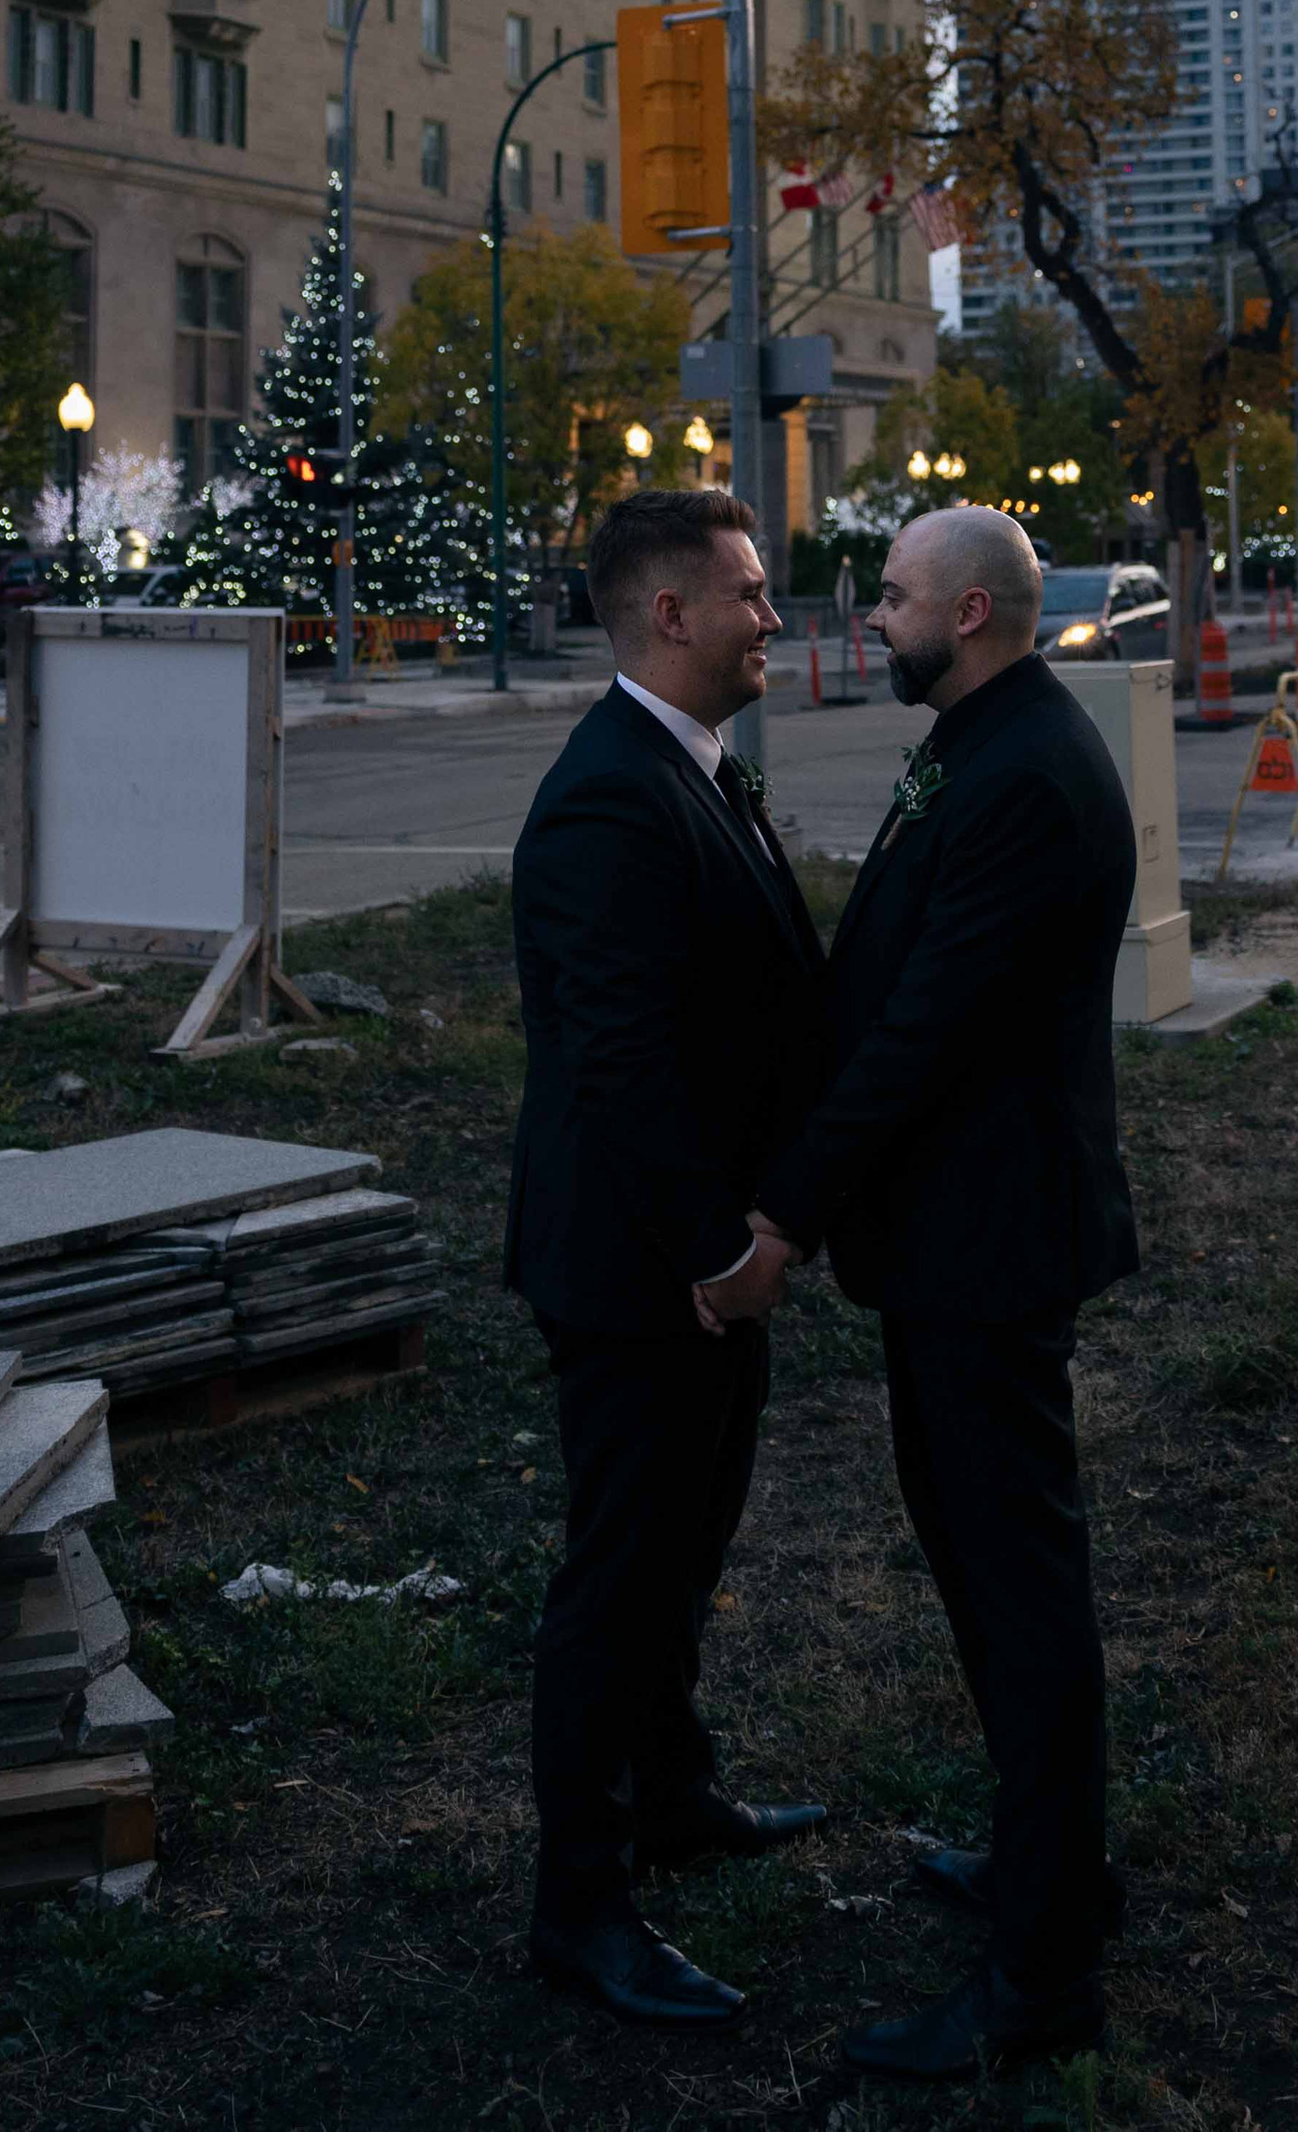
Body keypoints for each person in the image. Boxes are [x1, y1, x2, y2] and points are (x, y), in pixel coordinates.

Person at [752, 504, 1139, 2082]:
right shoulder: (980, 739)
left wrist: (786, 1210)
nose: (876, 618)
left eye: (896, 597)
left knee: (1017, 1587)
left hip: (988, 1240)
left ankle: (1042, 1975)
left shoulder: (1027, 777)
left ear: (970, 610)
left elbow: (926, 1033)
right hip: (955, 1238)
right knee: (991, 1576)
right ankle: (1053, 1868)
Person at [504, 487, 831, 2031]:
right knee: (620, 1581)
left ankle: (677, 1793)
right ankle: (582, 1901)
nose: (775, 618)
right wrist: (716, 1248)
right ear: (668, 617)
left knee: (687, 1553)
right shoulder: (607, 799)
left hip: (711, 1257)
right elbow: (617, 1060)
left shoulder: (697, 769)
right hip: (643, 1272)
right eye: (750, 596)